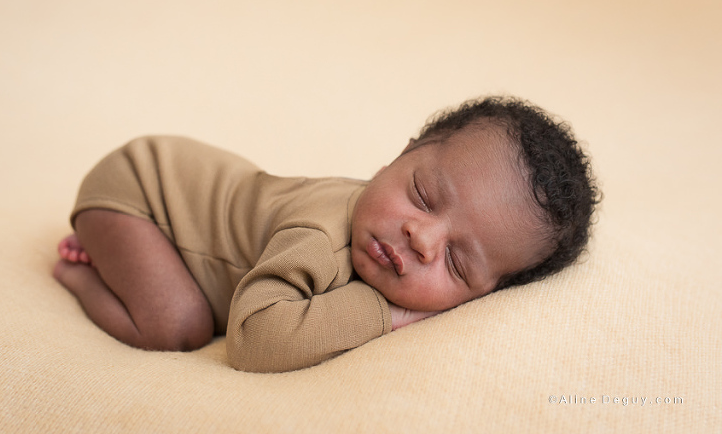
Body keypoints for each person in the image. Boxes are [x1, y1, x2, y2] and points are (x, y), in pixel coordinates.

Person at [53, 96, 599, 372]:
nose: (420, 238)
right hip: (141, 193)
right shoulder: (323, 238)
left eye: (457, 264)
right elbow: (251, 338)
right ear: (402, 152)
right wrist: (386, 315)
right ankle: (80, 272)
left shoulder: (385, 225)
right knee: (180, 326)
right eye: (423, 197)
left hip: (171, 201)